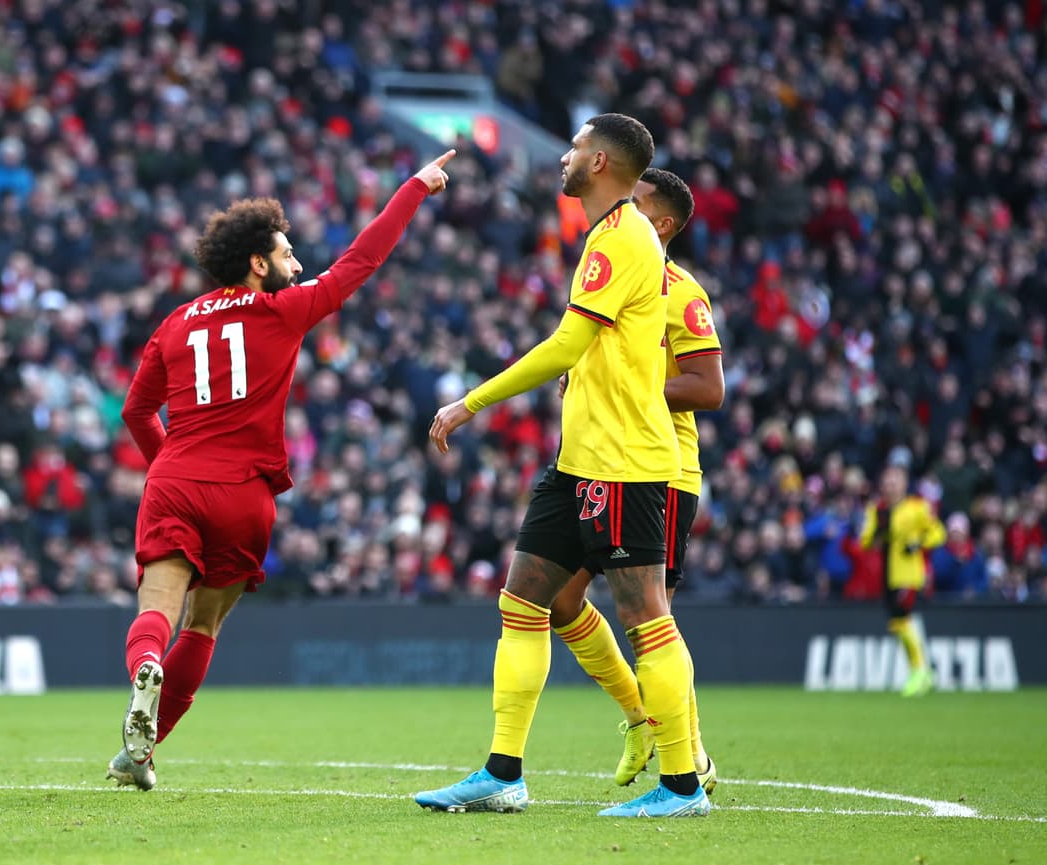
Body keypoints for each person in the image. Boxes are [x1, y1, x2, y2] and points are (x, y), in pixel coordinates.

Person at [108, 150, 455, 790]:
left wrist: (172, 470)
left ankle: (145, 668)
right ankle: (144, 750)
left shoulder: (175, 322)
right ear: (258, 264)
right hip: (244, 495)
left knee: (155, 611)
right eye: (289, 254)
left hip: (176, 478)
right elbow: (362, 261)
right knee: (204, 624)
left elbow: (136, 411)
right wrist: (415, 187)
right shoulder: (283, 310)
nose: (299, 265)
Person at [416, 115, 708, 818]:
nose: (565, 158)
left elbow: (566, 343)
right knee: (522, 602)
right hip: (578, 462)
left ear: (600, 160)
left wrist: (471, 401)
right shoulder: (609, 235)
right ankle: (502, 772)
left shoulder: (623, 237)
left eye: (575, 148)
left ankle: (683, 784)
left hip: (625, 463)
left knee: (646, 618)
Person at [549, 168, 724, 795]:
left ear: (664, 224)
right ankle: (640, 717)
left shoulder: (681, 291)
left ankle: (691, 764)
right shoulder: (611, 268)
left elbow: (710, 388)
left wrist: (627, 387)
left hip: (662, 471)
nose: (623, 208)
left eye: (638, 202)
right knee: (559, 599)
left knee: (652, 622)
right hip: (599, 461)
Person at [858, 464, 946, 697]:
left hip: (909, 575)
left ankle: (920, 671)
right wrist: (877, 533)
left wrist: (918, 543)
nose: (891, 485)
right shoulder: (876, 510)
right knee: (897, 624)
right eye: (887, 481)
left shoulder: (917, 508)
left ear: (905, 483)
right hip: (887, 575)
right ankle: (922, 672)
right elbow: (865, 542)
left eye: (895, 480)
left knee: (902, 620)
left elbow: (938, 533)